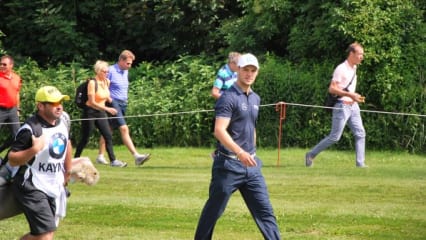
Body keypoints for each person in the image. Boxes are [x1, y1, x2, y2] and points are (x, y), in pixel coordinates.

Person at [194, 53, 281, 240]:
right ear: (238, 70)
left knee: (266, 213)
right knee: (213, 211)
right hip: (228, 166)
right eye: (246, 70)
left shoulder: (255, 98)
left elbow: (251, 127)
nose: (249, 74)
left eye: (253, 70)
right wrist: (240, 152)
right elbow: (219, 130)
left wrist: (252, 153)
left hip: (252, 167)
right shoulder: (228, 98)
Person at [7, 86, 72, 240]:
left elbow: (67, 143)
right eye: (54, 103)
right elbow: (12, 158)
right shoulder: (30, 129)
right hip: (32, 184)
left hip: (54, 184)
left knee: (45, 233)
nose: (59, 106)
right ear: (40, 106)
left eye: (60, 102)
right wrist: (34, 149)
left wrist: (67, 172)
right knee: (44, 235)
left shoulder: (62, 121)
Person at [305, 42, 367, 168]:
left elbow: (347, 89)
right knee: (335, 137)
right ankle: (310, 155)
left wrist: (355, 96)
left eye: (362, 55)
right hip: (342, 106)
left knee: (360, 133)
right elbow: (332, 89)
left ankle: (360, 164)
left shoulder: (354, 68)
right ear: (351, 54)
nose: (362, 57)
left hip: (353, 106)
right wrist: (350, 95)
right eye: (360, 54)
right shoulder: (341, 69)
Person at [96, 50, 151, 166]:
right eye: (128, 63)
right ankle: (137, 156)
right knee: (124, 128)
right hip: (113, 103)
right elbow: (101, 84)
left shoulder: (125, 71)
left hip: (123, 103)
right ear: (121, 60)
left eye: (131, 64)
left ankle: (100, 156)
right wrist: (108, 100)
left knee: (108, 130)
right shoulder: (110, 70)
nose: (130, 66)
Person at [74, 60, 127, 167]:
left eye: (107, 72)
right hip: (90, 112)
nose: (106, 73)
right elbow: (92, 102)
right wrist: (108, 109)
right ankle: (75, 159)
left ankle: (113, 161)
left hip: (101, 112)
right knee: (86, 137)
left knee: (108, 136)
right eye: (104, 71)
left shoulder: (106, 82)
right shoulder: (92, 83)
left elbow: (106, 96)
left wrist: (114, 104)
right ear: (98, 71)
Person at [0, 55, 22, 154]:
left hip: (12, 110)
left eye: (4, 64)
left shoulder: (17, 78)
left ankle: (14, 157)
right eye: (0, 64)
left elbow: (17, 93)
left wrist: (17, 109)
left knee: (18, 135)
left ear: (11, 65)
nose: (1, 66)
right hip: (0, 110)